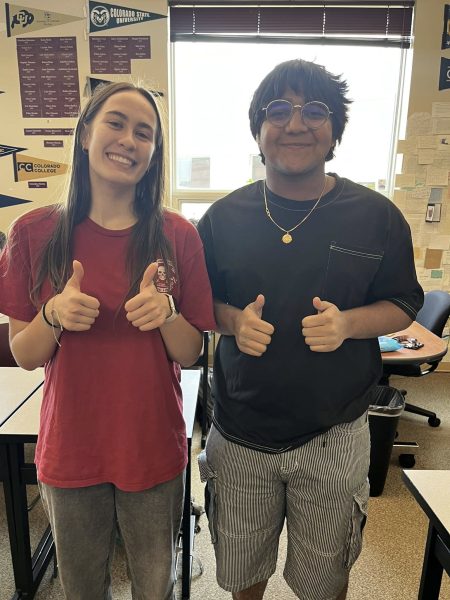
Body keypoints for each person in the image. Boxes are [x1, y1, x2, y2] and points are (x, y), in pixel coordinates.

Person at [197, 59, 423, 600]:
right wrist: (231, 322)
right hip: (239, 430)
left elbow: (404, 301)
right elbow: (198, 301)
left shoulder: (377, 216)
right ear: (258, 130)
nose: (295, 124)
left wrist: (349, 323)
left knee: (325, 583)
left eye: (314, 110)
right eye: (278, 110)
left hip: (334, 432)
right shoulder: (222, 219)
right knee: (242, 574)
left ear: (334, 132)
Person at [0, 81, 215, 600]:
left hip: (152, 443)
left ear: (154, 154)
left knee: (153, 585)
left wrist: (164, 314)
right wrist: (53, 313)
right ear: (85, 135)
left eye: (145, 133)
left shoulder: (178, 234)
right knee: (82, 588)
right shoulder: (32, 231)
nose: (128, 140)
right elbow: (25, 356)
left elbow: (191, 353)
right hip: (71, 446)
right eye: (115, 123)